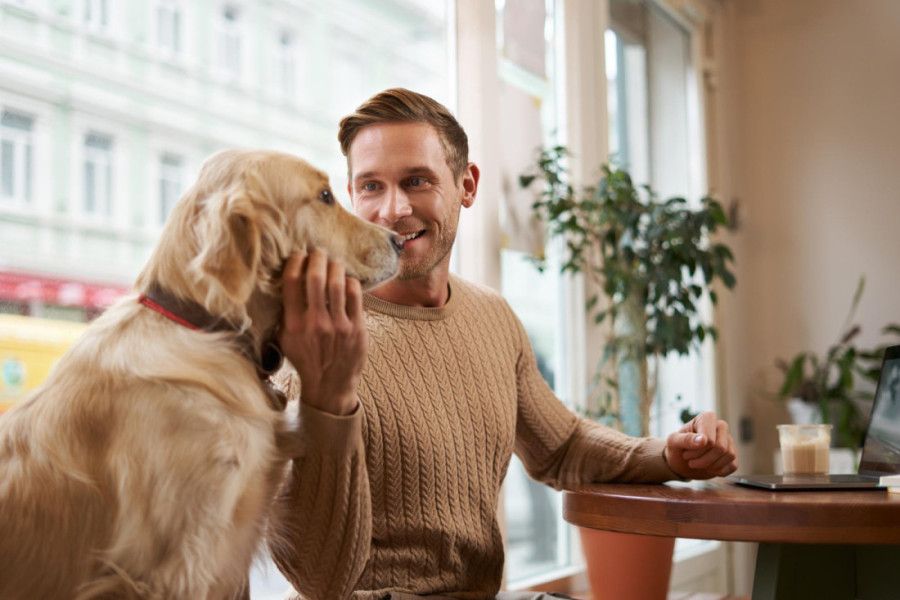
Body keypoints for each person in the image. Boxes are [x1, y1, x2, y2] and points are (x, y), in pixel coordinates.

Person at [270, 88, 738, 600]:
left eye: (417, 181)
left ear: (467, 184)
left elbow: (561, 448)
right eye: (371, 187)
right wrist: (327, 393)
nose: (393, 209)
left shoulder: (490, 315)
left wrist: (666, 455)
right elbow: (316, 577)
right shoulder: (316, 339)